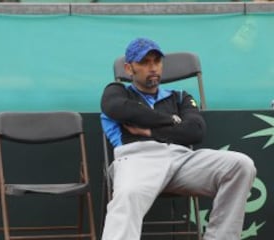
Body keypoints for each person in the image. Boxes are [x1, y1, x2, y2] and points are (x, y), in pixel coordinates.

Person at [100, 37, 257, 240]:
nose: (153, 67)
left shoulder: (180, 96)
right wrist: (174, 121)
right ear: (129, 68)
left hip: (181, 159)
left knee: (241, 165)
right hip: (137, 159)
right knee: (128, 193)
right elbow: (118, 108)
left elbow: (195, 131)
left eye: (156, 61)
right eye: (145, 62)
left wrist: (150, 132)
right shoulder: (117, 92)